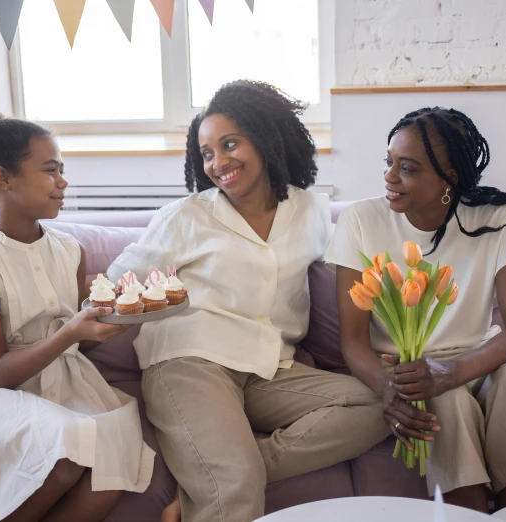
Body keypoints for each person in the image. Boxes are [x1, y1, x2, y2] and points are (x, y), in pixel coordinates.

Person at [107, 80, 390, 522]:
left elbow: (356, 274)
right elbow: (119, 282)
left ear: (266, 137)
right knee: (234, 495)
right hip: (190, 362)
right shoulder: (186, 216)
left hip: (269, 367)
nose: (218, 163)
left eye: (230, 144)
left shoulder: (312, 212)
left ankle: (222, 472)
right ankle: (223, 478)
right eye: (206, 153)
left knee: (378, 404)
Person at [326, 107, 506, 512]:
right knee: (446, 402)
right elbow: (352, 341)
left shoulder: (498, 218)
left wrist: (452, 372)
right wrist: (389, 390)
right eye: (389, 163)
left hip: (478, 358)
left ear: (449, 178)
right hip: (409, 369)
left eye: (408, 168)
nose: (389, 176)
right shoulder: (361, 220)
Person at [0, 109, 154, 522]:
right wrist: (70, 334)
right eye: (50, 171)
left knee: (111, 470)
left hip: (70, 383)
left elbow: (79, 341)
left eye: (62, 170)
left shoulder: (70, 249)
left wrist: (115, 321)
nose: (63, 182)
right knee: (65, 457)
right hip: (8, 393)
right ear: (4, 178)